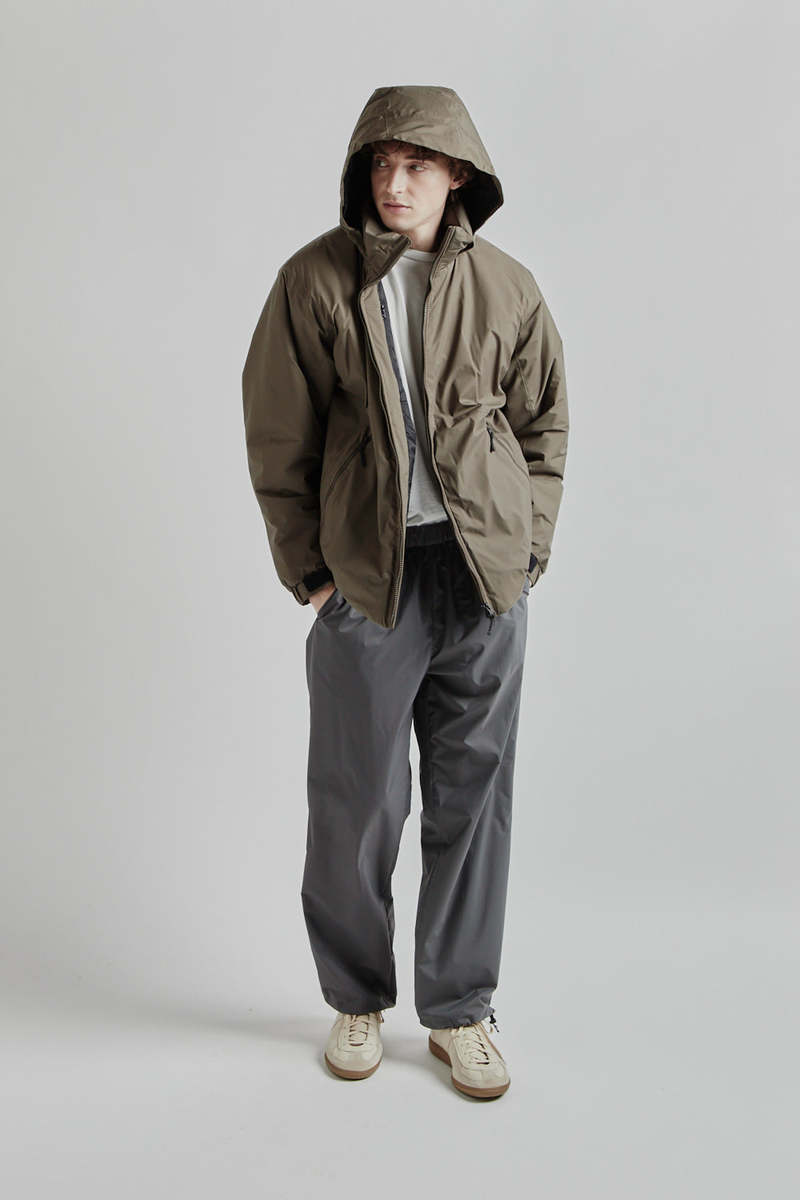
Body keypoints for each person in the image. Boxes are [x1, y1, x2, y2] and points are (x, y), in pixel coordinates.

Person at [242, 84, 569, 1100]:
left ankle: (460, 1010)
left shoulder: (506, 287)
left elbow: (542, 426)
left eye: (417, 164)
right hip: (366, 582)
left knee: (474, 799)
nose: (395, 182)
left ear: (456, 172)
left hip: (480, 582)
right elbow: (277, 434)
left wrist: (524, 554)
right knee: (355, 799)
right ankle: (355, 998)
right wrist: (311, 573)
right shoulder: (314, 280)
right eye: (381, 164)